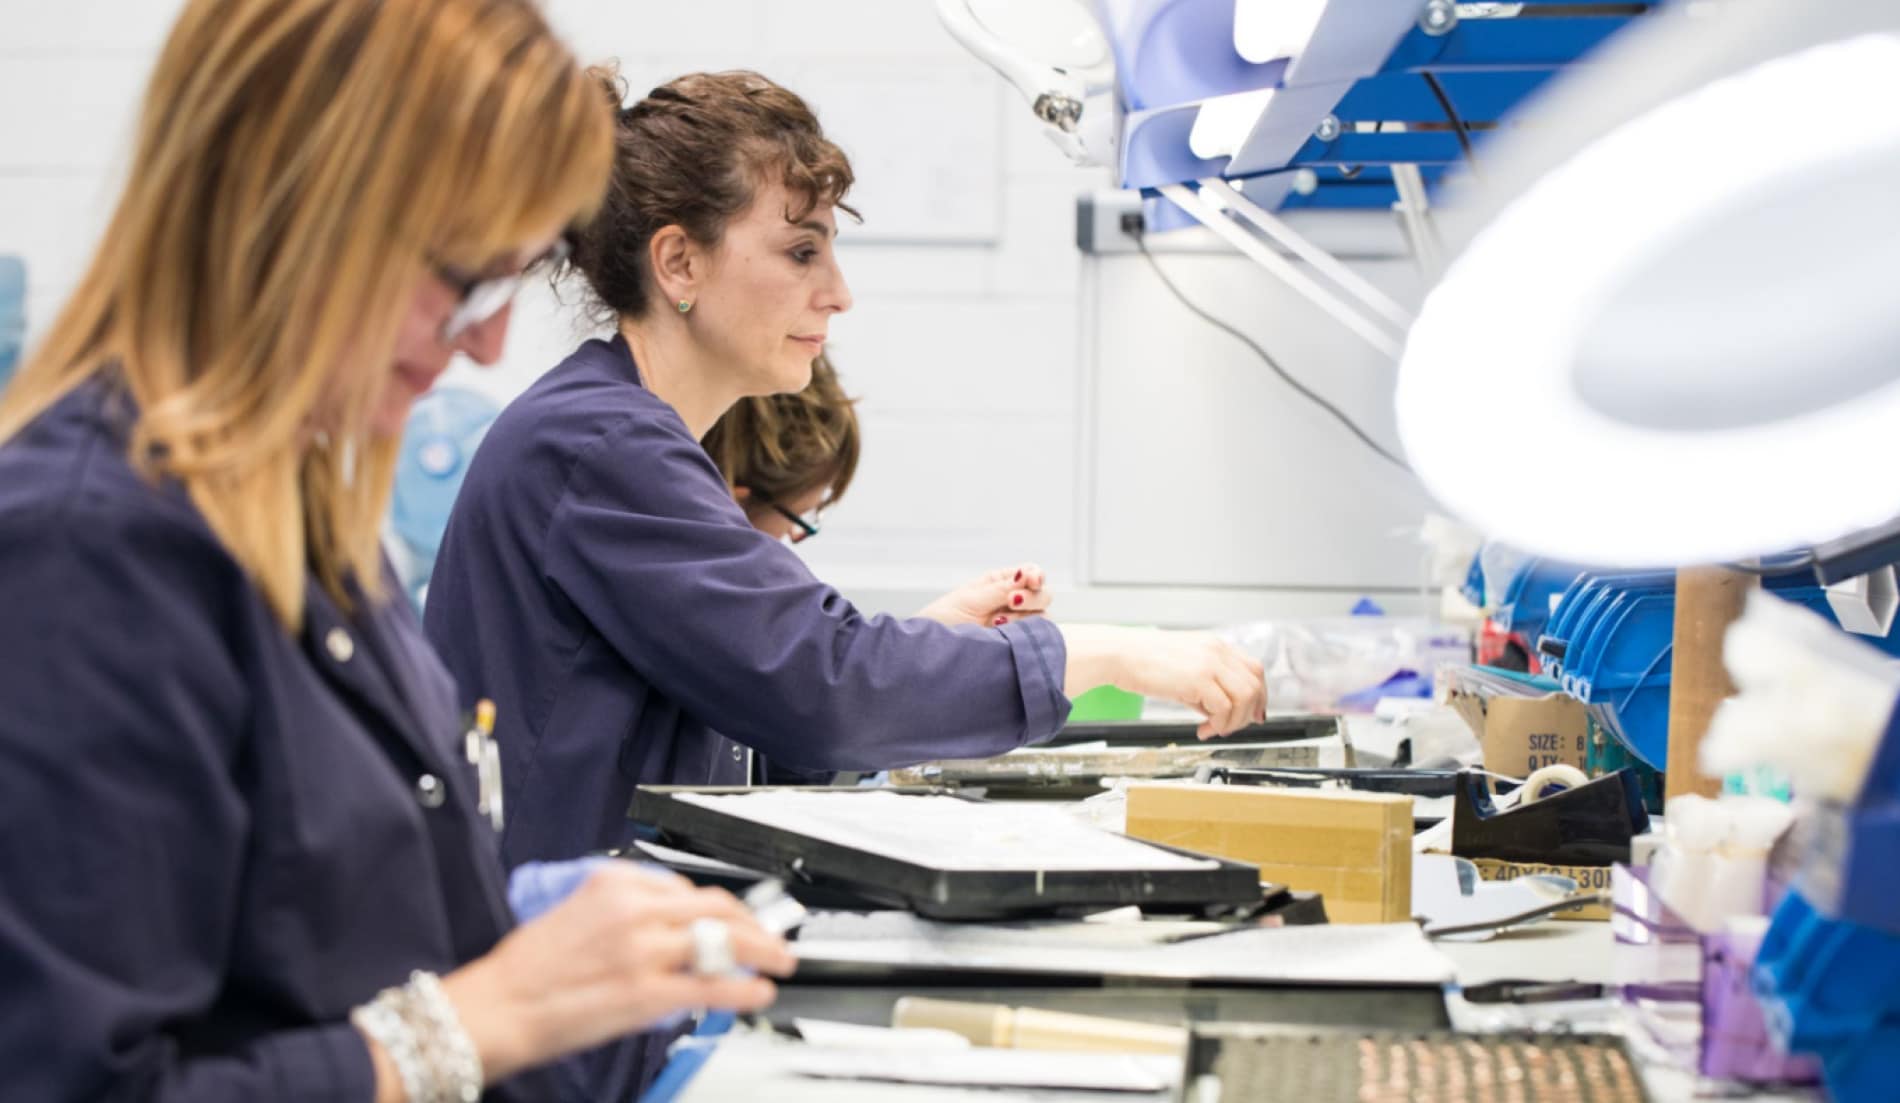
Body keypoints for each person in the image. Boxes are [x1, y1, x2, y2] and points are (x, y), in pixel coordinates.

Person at [0, 5, 792, 1101]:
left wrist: (506, 933)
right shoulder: (85, 551)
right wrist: (471, 1018)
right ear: (294, 208)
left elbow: (294, 949)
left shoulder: (310, 528)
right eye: (465, 277)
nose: (487, 342)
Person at [424, 68, 1268, 875]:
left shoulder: (625, 434)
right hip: (552, 970)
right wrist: (1111, 654)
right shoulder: (600, 444)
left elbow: (756, 716)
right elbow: (822, 687)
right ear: (679, 263)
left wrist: (936, 641)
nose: (838, 292)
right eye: (801, 251)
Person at [705, 351, 1052, 629]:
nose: (795, 537)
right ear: (735, 499)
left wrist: (936, 629)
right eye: (800, 517)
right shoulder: (724, 607)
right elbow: (828, 685)